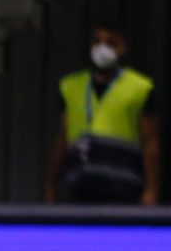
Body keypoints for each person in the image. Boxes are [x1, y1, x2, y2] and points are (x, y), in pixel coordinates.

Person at [48, 26, 158, 205]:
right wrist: (51, 184)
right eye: (97, 41)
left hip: (124, 186)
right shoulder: (70, 86)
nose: (102, 48)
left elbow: (150, 142)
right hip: (81, 186)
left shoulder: (140, 87)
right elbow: (63, 137)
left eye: (111, 43)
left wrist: (152, 189)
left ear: (122, 48)